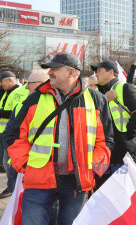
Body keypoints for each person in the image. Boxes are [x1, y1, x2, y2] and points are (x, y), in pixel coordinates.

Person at [7, 53, 114, 225]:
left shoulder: (96, 100)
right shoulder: (35, 99)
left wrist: (94, 168)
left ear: (71, 72)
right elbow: (14, 136)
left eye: (55, 69)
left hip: (76, 182)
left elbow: (105, 141)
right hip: (39, 180)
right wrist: (25, 166)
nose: (50, 72)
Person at [91, 60, 136, 175]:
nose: (96, 74)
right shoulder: (97, 92)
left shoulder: (125, 88)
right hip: (102, 149)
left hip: (122, 150)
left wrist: (128, 135)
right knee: (103, 187)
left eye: (99, 71)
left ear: (110, 72)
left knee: (122, 188)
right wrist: (104, 99)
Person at [0, 70, 49, 199]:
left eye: (30, 83)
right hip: (16, 143)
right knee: (8, 166)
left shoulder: (51, 104)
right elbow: (13, 122)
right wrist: (9, 143)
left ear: (43, 84)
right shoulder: (21, 98)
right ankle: (13, 188)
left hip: (39, 160)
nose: (26, 86)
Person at [0, 71, 21, 173]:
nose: (1, 84)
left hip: (10, 131)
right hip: (3, 130)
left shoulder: (18, 93)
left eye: (2, 81)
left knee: (8, 160)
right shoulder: (7, 92)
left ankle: (11, 186)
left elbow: (15, 113)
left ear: (9, 80)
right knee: (4, 159)